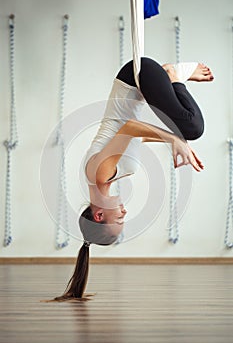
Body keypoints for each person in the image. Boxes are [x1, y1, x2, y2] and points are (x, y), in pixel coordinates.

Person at [53, 57, 214, 301]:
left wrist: (175, 140)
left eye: (118, 218)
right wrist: (176, 142)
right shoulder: (108, 178)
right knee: (187, 133)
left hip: (135, 78)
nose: (125, 213)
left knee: (192, 129)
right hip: (143, 86)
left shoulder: (99, 175)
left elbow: (129, 126)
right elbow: (137, 137)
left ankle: (174, 75)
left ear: (99, 215)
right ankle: (173, 79)